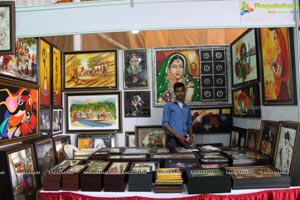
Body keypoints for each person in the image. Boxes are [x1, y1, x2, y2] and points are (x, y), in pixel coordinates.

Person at [162, 82, 194, 152]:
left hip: (185, 139)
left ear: (184, 92)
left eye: (182, 91)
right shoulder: (168, 106)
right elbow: (165, 124)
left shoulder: (187, 108)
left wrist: (191, 137)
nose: (180, 93)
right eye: (177, 91)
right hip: (173, 139)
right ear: (174, 92)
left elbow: (189, 124)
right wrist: (179, 136)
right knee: (174, 160)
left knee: (187, 160)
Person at [269, 28, 290, 100]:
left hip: (282, 89)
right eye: (274, 38)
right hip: (280, 88)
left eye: (275, 38)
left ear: (279, 38)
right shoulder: (278, 54)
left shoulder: (280, 55)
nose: (274, 41)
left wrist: (271, 66)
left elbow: (278, 74)